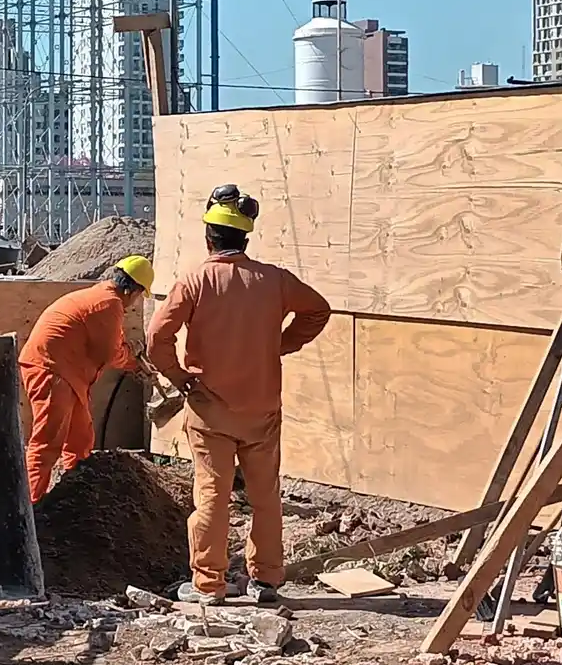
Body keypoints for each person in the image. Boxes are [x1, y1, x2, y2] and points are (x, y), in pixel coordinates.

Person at [147, 185, 331, 606]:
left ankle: (208, 584)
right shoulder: (274, 280)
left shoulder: (196, 282)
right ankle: (266, 581)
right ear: (245, 238)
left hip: (210, 409)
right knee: (265, 495)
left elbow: (158, 337)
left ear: (209, 236)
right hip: (262, 408)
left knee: (212, 492)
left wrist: (180, 378)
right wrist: (281, 344)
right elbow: (318, 309)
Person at [18, 255, 152, 504]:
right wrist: (133, 362)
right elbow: (110, 354)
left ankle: (74, 500)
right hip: (51, 370)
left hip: (66, 374)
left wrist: (129, 353)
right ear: (131, 290)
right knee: (47, 442)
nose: (135, 303)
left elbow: (111, 342)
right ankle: (29, 507)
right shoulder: (108, 304)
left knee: (80, 440)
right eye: (138, 296)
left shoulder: (103, 298)